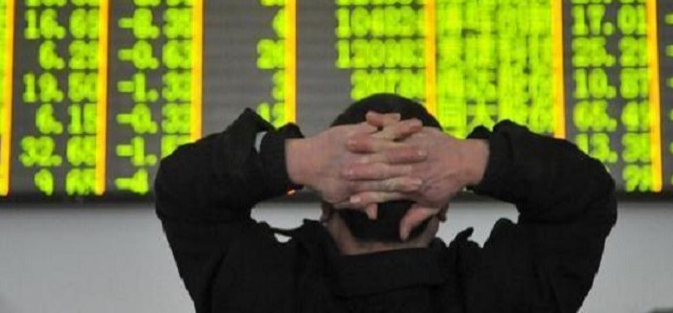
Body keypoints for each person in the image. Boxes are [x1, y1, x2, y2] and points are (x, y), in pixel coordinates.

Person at [155, 93, 617, 312]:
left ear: (326, 202)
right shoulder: (500, 297)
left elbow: (182, 188)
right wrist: (472, 159)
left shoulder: (263, 293)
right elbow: (585, 193)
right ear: (441, 206)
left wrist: (297, 158)